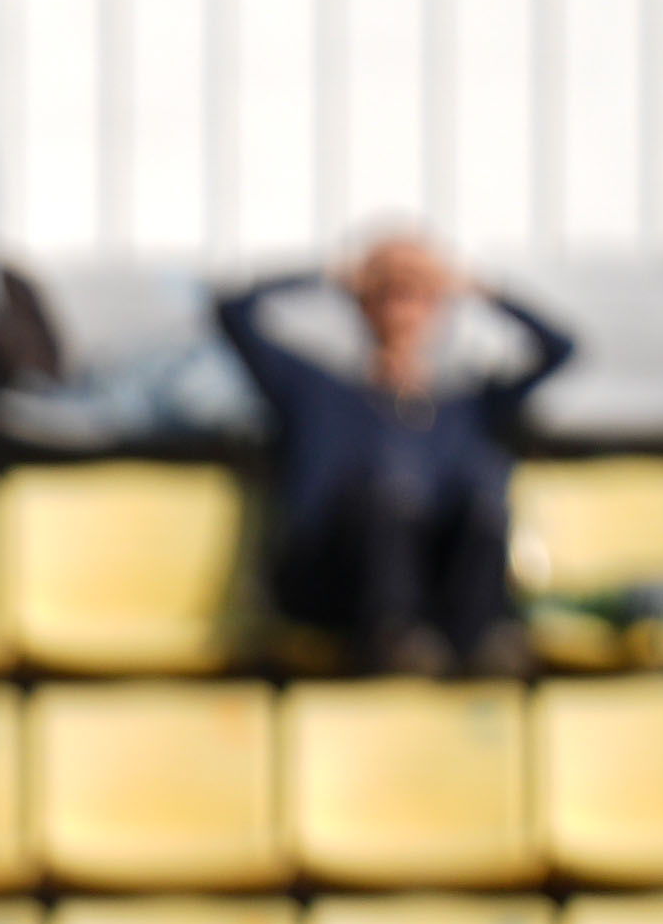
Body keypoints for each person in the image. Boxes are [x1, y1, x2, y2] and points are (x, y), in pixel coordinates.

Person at [222, 230, 579, 678]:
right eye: (386, 292)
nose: (401, 308)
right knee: (381, 502)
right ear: (362, 302)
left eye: (418, 294)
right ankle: (397, 644)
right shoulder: (314, 391)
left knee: (482, 501)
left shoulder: (465, 405)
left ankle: (481, 648)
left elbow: (561, 349)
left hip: (438, 600)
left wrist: (478, 288)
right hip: (332, 589)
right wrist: (330, 275)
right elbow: (232, 312)